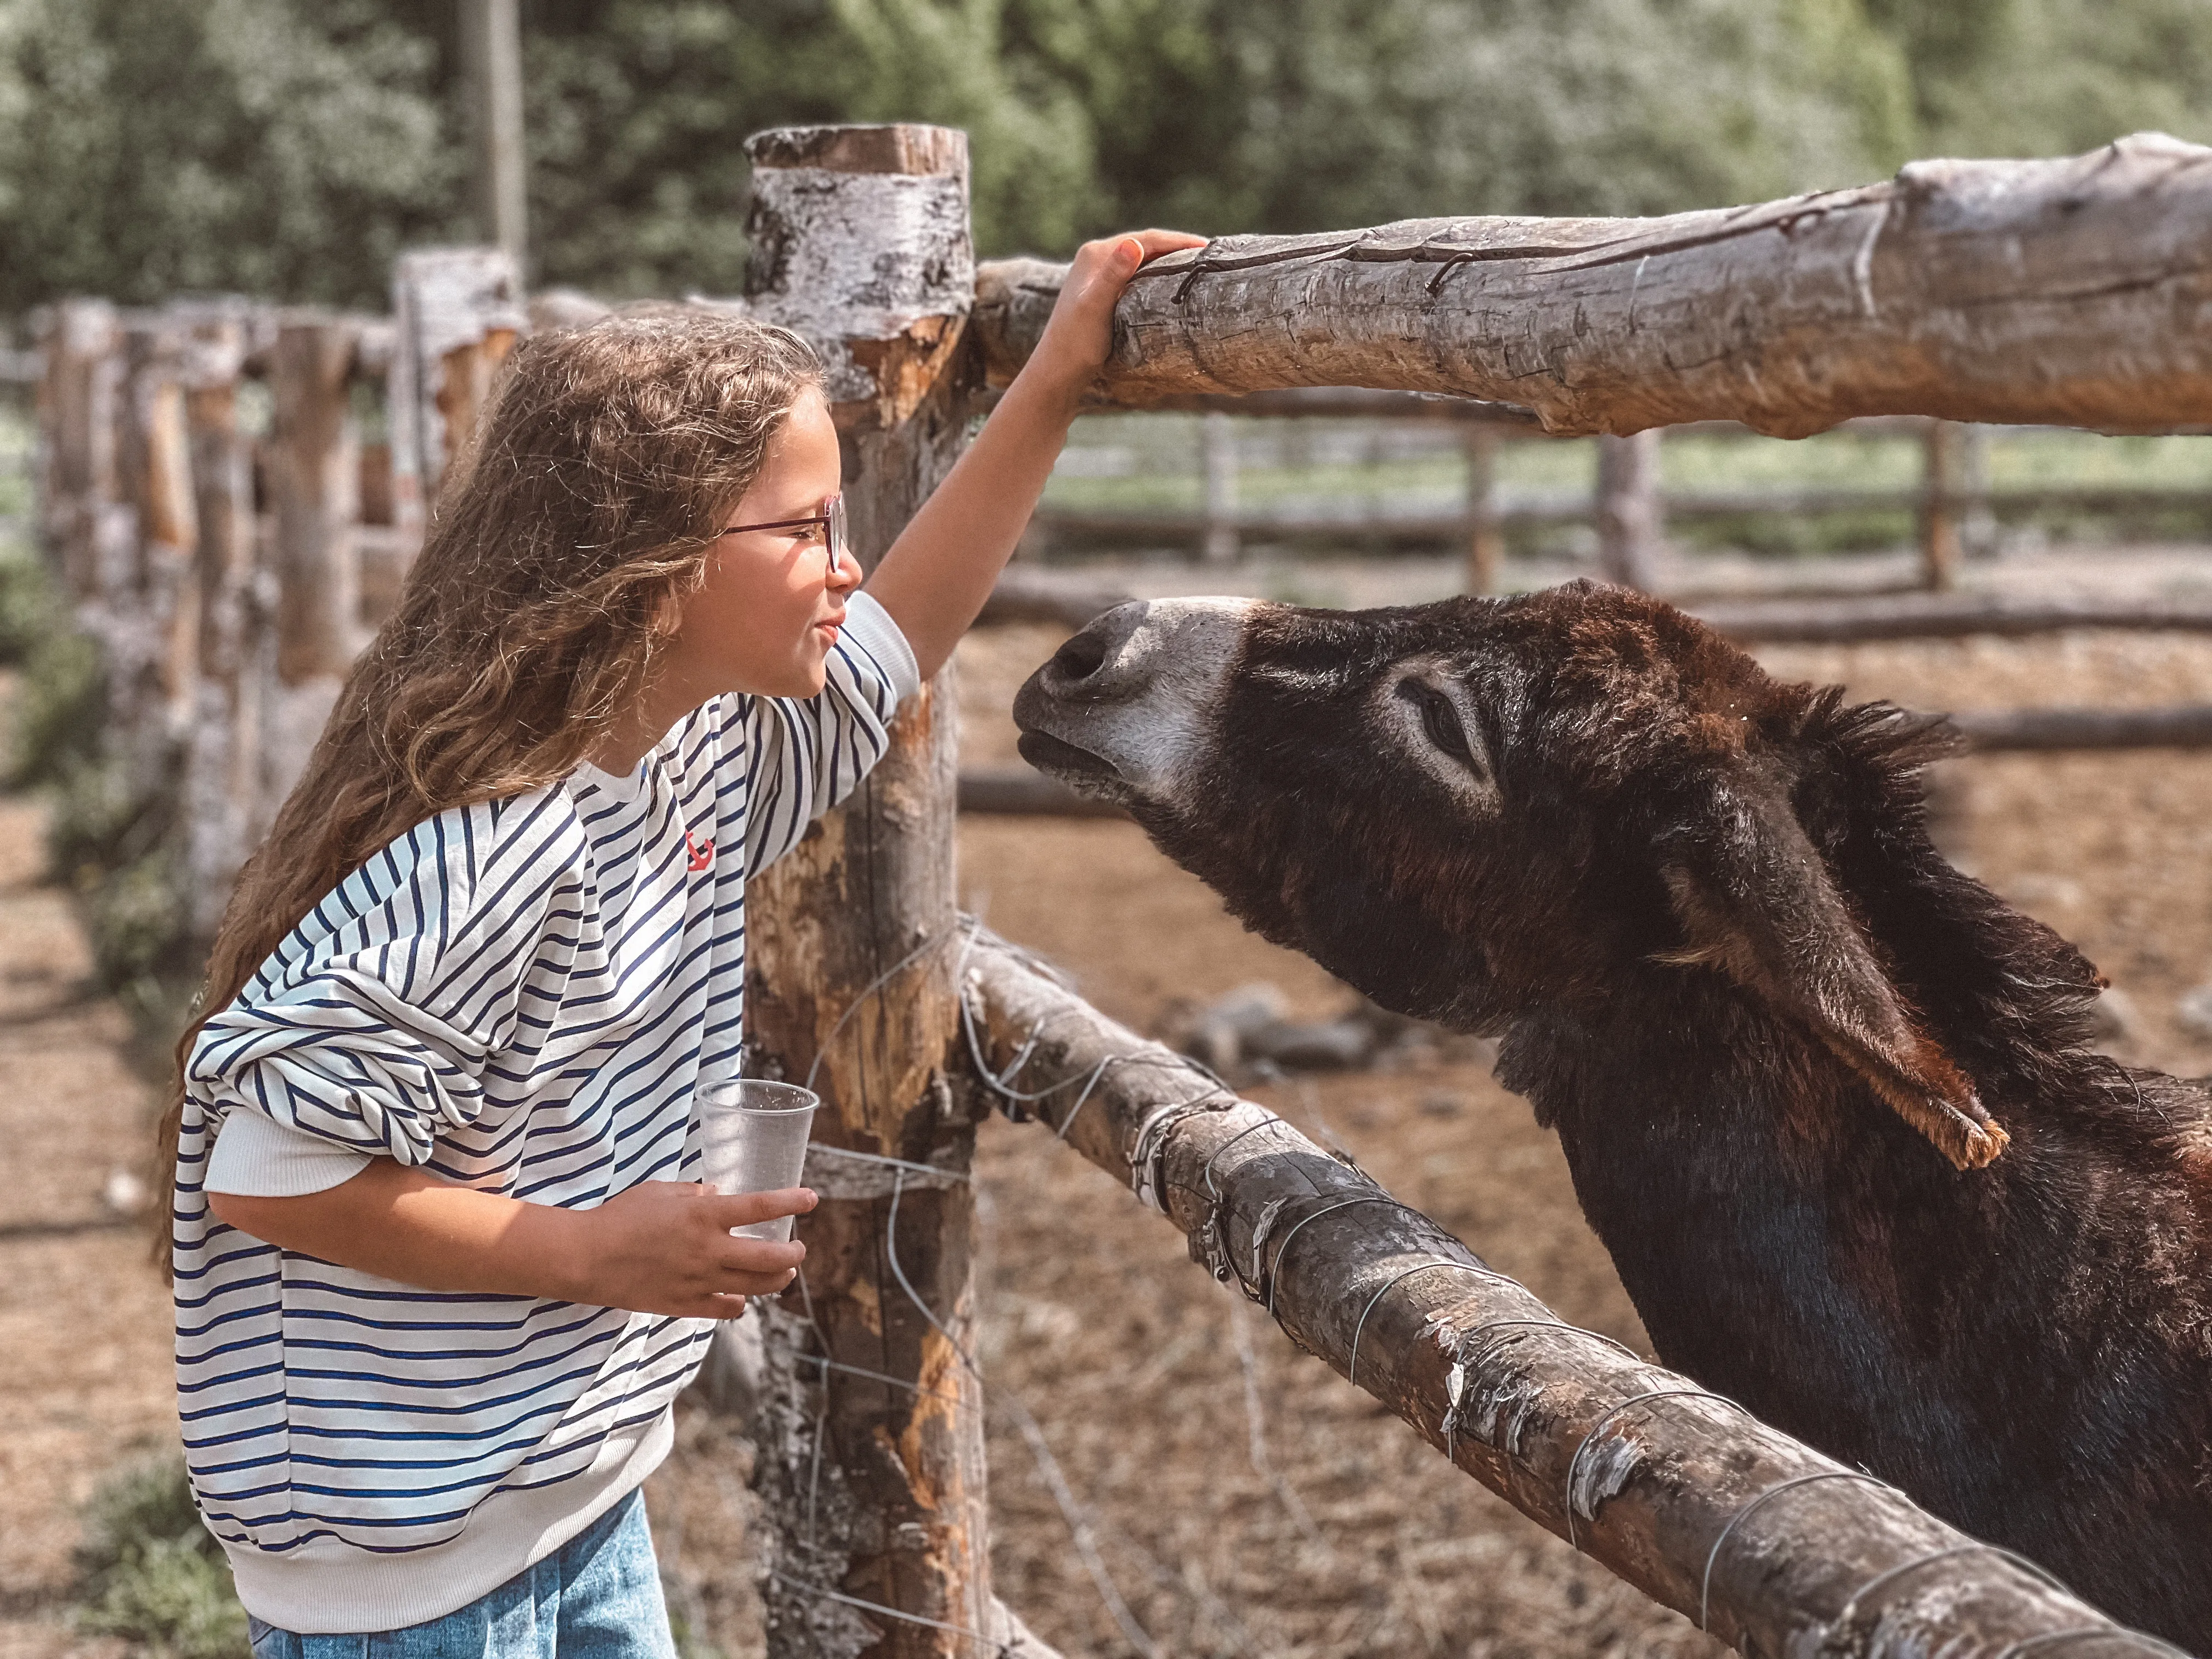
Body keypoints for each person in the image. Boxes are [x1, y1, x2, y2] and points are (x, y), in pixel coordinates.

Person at [163, 227, 1206, 1657]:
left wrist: (1059, 372)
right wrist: (593, 1252)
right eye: (806, 531)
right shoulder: (497, 848)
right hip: (410, 1567)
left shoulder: (693, 753)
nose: (846, 570)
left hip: (567, 1491)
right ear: (654, 566)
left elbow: (903, 635)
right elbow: (269, 1174)